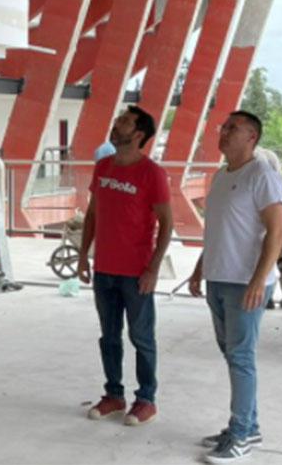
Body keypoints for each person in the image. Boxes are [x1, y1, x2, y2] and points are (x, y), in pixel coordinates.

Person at [190, 111, 282, 463]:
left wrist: (259, 279)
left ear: (252, 137)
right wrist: (200, 269)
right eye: (224, 126)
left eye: (233, 128)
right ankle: (249, 424)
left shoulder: (262, 175)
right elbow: (218, 229)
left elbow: (277, 232)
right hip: (219, 278)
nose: (224, 132)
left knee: (241, 358)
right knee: (232, 356)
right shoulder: (221, 175)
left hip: (245, 284)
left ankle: (242, 433)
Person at [77, 106, 173, 427]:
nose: (116, 124)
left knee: (142, 337)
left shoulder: (152, 173)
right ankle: (114, 395)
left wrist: (153, 269)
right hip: (104, 268)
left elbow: (167, 223)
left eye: (125, 122)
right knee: (109, 336)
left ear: (139, 135)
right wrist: (81, 256)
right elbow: (92, 214)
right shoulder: (103, 166)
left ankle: (146, 399)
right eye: (117, 119)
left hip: (136, 272)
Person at [255, 147, 282, 311]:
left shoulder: (256, 158)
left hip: (266, 216)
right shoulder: (270, 156)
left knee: (266, 257)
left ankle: (267, 297)